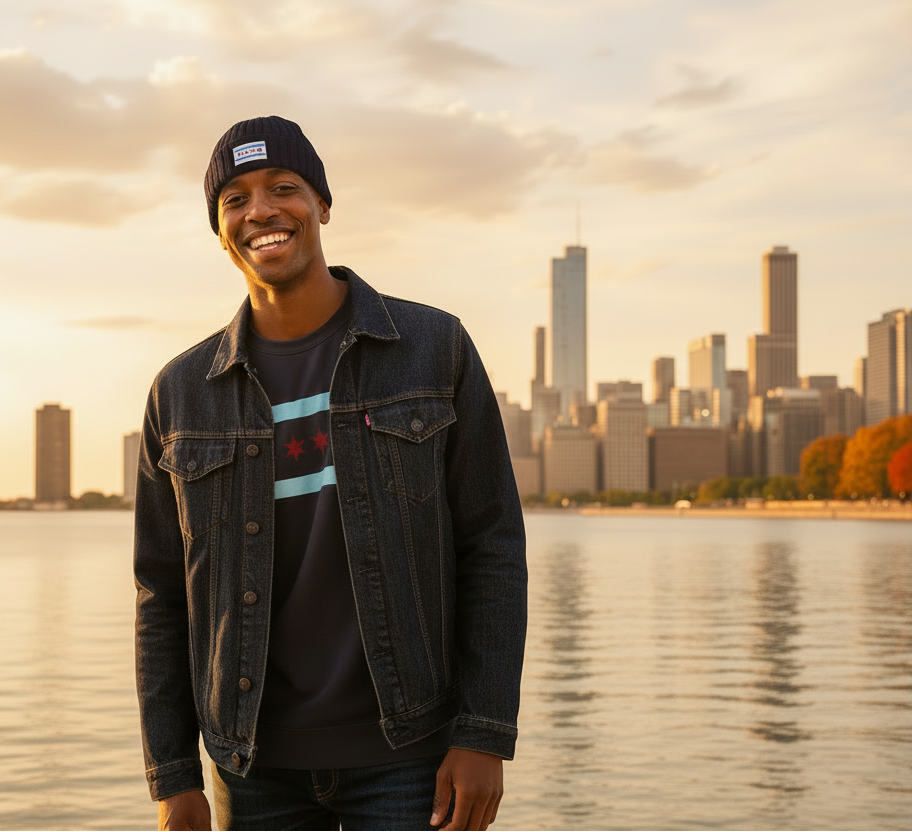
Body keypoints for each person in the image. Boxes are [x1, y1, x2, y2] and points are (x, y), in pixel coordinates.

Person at [133, 115, 527, 832]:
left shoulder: (434, 348)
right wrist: (172, 775)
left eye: (284, 187)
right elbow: (161, 595)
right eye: (235, 198)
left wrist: (483, 730)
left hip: (408, 754)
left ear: (322, 205)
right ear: (220, 230)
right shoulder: (180, 393)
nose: (261, 210)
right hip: (250, 768)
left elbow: (493, 545)